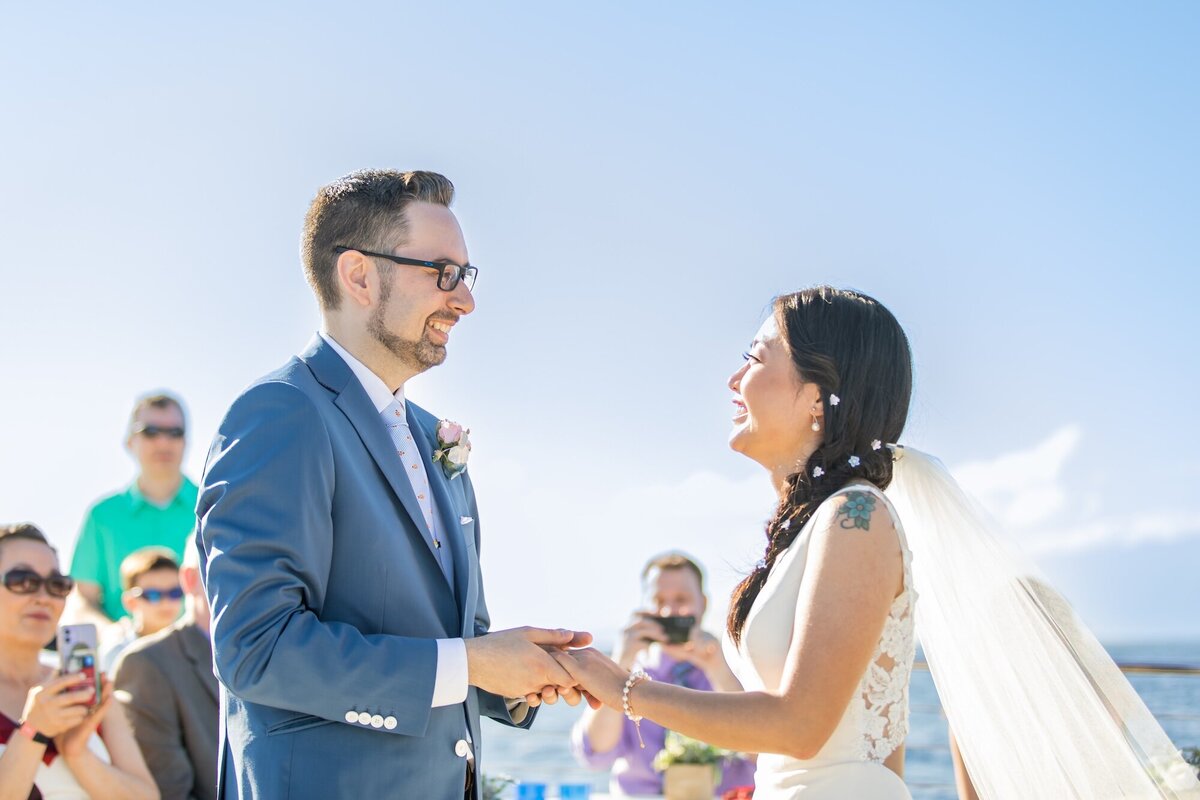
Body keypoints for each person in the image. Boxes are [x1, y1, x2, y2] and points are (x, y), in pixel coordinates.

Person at [553, 287, 1200, 799]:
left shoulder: (857, 517)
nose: (733, 380)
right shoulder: (816, 525)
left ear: (816, 395)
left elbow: (802, 726)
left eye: (754, 357)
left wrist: (623, 688)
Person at [196, 169, 589, 800]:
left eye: (466, 276)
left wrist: (517, 671)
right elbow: (256, 650)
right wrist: (472, 664)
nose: (464, 301)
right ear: (358, 275)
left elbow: (450, 642)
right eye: (442, 273)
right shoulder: (281, 413)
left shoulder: (437, 438)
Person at [571, 552, 755, 795]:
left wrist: (719, 671)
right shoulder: (629, 673)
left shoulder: (739, 666)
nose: (669, 611)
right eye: (659, 601)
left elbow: (761, 749)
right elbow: (595, 754)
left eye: (681, 599)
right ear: (645, 607)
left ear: (703, 604)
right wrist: (619, 663)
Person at [0, 523, 158, 800]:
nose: (43, 598)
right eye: (23, 581)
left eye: (57, 585)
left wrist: (77, 753)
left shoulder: (88, 687)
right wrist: (34, 731)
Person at [67, 393, 196, 628]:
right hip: (124, 657)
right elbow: (82, 600)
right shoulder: (103, 516)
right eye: (151, 432)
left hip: (204, 659)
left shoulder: (214, 508)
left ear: (185, 442)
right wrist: (114, 638)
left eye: (174, 433)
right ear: (129, 442)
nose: (163, 442)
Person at [113, 537, 217, 800]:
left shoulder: (282, 650)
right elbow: (170, 792)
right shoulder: (145, 663)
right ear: (192, 579)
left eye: (172, 594)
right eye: (153, 595)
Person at [99, 548, 183, 673]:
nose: (166, 603)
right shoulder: (115, 653)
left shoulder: (194, 648)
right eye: (153, 595)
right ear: (130, 601)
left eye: (174, 593)